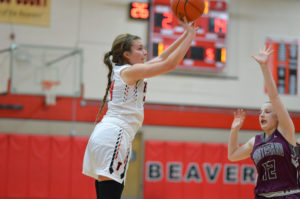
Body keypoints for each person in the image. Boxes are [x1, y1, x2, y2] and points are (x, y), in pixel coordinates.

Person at [82, 18, 198, 199]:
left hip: (109, 135)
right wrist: (190, 37)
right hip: (114, 135)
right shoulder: (129, 71)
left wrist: (185, 34)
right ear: (127, 54)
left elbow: (161, 58)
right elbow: (169, 64)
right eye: (139, 49)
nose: (145, 53)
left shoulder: (127, 70)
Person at [228, 46, 300, 198]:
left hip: (288, 194)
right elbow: (233, 155)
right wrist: (234, 130)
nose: (262, 115)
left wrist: (264, 67)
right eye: (260, 112)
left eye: (267, 112)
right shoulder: (256, 141)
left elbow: (275, 97)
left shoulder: (286, 132)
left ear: (278, 117)